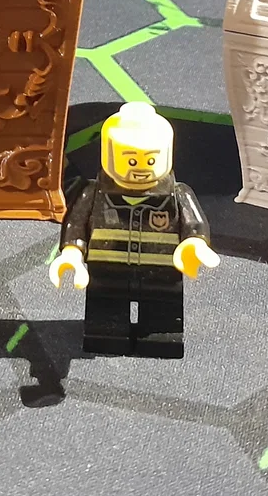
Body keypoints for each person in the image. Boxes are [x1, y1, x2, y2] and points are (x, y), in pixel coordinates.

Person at [49, 101, 218, 357]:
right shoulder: (93, 193)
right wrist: (71, 254)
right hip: (106, 272)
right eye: (130, 159)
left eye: (150, 159)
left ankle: (160, 338)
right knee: (105, 323)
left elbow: (194, 223)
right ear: (110, 154)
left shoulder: (177, 194)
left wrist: (194, 243)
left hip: (162, 274)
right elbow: (76, 224)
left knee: (162, 324)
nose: (140, 169)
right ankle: (108, 335)